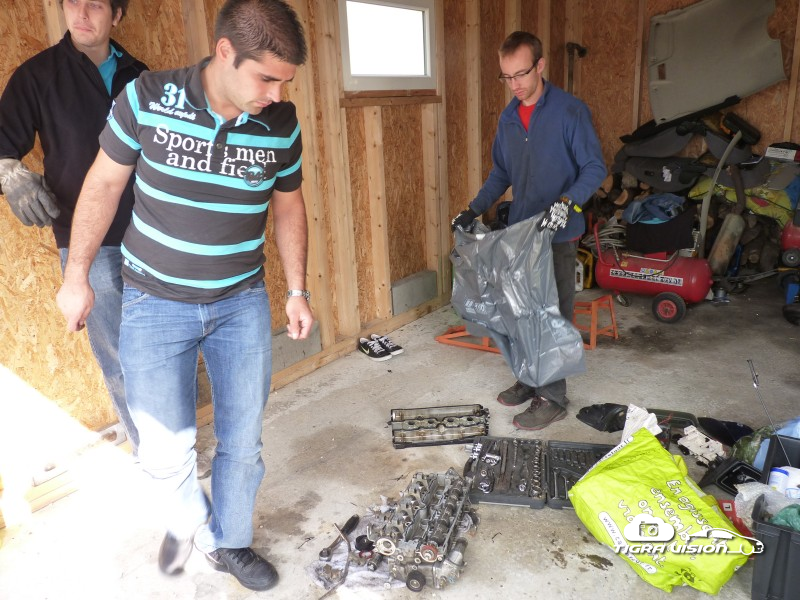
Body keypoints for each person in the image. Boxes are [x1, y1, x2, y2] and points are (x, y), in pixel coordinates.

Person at [56, 0, 312, 591]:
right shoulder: (148, 98)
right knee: (163, 451)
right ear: (225, 52)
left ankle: (230, 542)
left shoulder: (280, 123)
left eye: (284, 81)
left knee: (242, 442)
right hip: (154, 303)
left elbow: (289, 206)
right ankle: (192, 524)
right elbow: (104, 183)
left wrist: (297, 290)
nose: (276, 94)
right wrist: (77, 277)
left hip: (241, 302)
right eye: (266, 78)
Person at [0, 0, 146, 452]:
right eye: (72, 2)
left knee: (162, 349)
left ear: (116, 15)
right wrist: (9, 172)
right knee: (119, 357)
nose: (81, 13)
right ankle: (152, 455)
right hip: (88, 244)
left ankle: (176, 444)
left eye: (96, 4)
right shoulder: (37, 76)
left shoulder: (140, 77)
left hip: (151, 235)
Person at [451, 31, 606, 431]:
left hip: (558, 232)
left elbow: (594, 168)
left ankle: (552, 397)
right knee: (520, 310)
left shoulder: (570, 111)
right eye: (507, 77)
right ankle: (528, 376)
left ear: (540, 66)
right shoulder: (508, 119)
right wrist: (473, 209)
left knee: (552, 314)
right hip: (521, 231)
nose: (515, 84)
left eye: (521, 74)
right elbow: (501, 173)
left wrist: (568, 203)